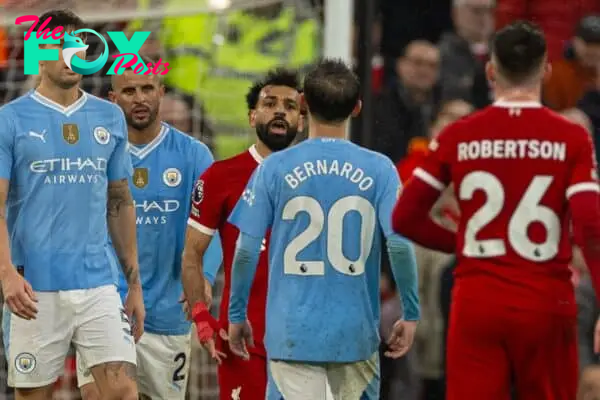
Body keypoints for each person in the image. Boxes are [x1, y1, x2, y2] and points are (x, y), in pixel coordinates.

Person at [391, 21, 600, 400]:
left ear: (490, 70)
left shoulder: (458, 134)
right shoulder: (572, 137)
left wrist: (462, 242)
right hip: (546, 301)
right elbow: (590, 222)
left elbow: (404, 216)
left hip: (478, 301)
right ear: (546, 70)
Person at [225, 59, 420, 400]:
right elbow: (400, 245)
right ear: (357, 108)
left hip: (292, 335)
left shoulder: (274, 167)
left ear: (302, 104)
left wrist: (236, 314)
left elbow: (245, 249)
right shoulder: (381, 169)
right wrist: (411, 311)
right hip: (354, 337)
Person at [0, 9, 144, 400]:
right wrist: (7, 274)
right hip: (34, 288)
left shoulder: (109, 116)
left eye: (79, 44)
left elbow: (119, 201)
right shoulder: (10, 120)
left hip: (98, 283)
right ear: (39, 53)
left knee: (123, 392)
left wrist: (134, 286)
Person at [75, 59, 222, 399]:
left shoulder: (193, 155)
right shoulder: (93, 155)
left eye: (146, 89)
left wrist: (206, 277)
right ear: (113, 99)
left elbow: (211, 225)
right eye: (129, 91)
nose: (139, 98)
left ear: (161, 92)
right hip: (105, 307)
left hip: (169, 311)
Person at [181, 68, 303, 400]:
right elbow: (192, 254)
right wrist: (202, 317)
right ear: (252, 116)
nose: (280, 111)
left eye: (291, 106)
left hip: (305, 338)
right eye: (270, 103)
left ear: (302, 122)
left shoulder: (316, 178)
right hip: (242, 338)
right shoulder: (220, 177)